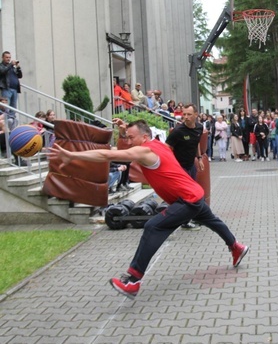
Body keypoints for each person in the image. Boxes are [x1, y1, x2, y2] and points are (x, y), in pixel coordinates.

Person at [47, 119, 249, 298]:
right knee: (211, 220)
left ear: (144, 137)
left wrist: (71, 155)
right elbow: (127, 144)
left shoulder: (145, 150)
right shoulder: (158, 145)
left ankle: (133, 280)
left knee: (153, 226)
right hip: (193, 193)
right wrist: (123, 131)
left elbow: (106, 154)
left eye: (131, 137)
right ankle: (236, 247)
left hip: (187, 198)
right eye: (127, 137)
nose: (129, 141)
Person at [165, 103, 205, 230]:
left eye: (189, 114)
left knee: (193, 193)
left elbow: (196, 143)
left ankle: (192, 217)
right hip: (179, 168)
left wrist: (199, 158)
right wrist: (171, 166)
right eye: (184, 114)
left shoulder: (199, 128)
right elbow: (167, 149)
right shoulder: (177, 131)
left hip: (190, 165)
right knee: (186, 195)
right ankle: (184, 222)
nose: (186, 117)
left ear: (196, 115)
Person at [0, 51, 23, 126]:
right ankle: (6, 121)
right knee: (6, 106)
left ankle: (11, 120)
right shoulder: (1, 66)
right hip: (6, 88)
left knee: (13, 106)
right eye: (6, 57)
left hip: (15, 89)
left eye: (9, 57)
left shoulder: (12, 67)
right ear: (2, 57)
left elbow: (20, 76)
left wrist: (18, 67)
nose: (8, 59)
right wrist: (10, 65)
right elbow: (2, 71)